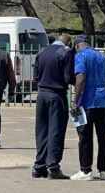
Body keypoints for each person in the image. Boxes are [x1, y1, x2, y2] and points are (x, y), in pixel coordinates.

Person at [32, 34, 75, 179]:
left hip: (41, 94)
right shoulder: (65, 53)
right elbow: (68, 77)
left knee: (42, 131)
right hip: (57, 94)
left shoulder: (42, 51)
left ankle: (39, 166)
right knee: (56, 131)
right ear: (69, 43)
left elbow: (36, 76)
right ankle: (53, 167)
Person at [69, 36, 105, 181]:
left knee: (84, 135)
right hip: (102, 100)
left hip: (86, 100)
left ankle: (85, 170)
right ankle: (103, 170)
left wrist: (75, 101)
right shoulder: (101, 57)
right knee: (103, 136)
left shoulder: (80, 56)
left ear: (76, 46)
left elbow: (80, 77)